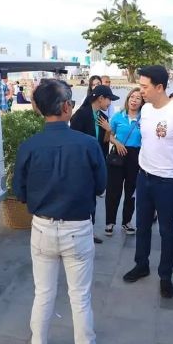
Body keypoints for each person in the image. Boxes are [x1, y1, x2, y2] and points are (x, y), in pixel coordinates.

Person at [13, 79, 106, 344]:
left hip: (42, 227)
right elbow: (101, 186)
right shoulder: (88, 144)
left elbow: (19, 191)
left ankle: (38, 341)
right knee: (80, 296)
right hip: (78, 229)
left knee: (43, 293)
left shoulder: (29, 146)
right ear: (66, 107)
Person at [122, 65, 173, 299]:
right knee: (142, 225)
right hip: (143, 176)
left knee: (166, 230)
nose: (141, 91)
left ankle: (165, 276)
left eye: (145, 87)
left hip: (167, 181)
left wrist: (169, 155)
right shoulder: (145, 110)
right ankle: (141, 264)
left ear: (160, 87)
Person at [71, 85, 118, 244]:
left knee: (92, 199)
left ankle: (89, 231)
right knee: (81, 198)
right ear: (100, 98)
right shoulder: (81, 115)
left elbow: (104, 142)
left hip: (97, 163)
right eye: (109, 99)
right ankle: (79, 231)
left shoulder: (102, 116)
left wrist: (108, 130)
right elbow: (75, 141)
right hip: (82, 164)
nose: (110, 103)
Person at [104, 88, 144, 236]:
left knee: (131, 190)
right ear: (127, 99)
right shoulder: (118, 116)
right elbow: (109, 135)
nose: (134, 100)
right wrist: (117, 143)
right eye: (132, 97)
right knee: (113, 190)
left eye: (138, 98)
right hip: (118, 155)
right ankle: (110, 222)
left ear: (142, 102)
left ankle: (127, 221)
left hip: (136, 156)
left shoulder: (144, 119)